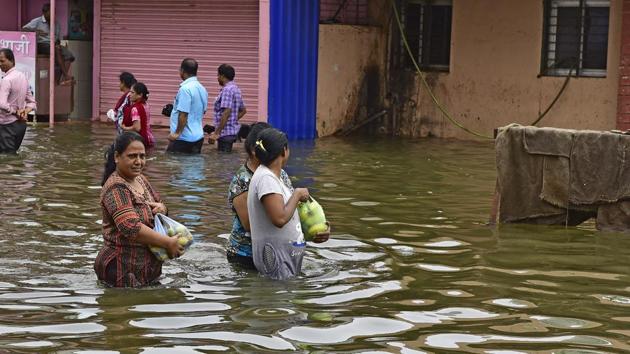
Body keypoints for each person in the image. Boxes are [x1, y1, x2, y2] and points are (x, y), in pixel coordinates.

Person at [227, 122, 330, 269]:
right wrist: (296, 197)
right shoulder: (244, 180)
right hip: (247, 255)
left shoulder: (279, 173)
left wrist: (316, 227)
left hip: (278, 252)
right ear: (254, 150)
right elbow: (253, 224)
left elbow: (293, 209)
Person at [95, 132, 183, 287]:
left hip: (146, 269)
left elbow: (158, 204)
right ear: (117, 157)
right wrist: (168, 242)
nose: (139, 162)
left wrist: (163, 208)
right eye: (132, 156)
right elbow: (131, 227)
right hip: (121, 269)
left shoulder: (140, 179)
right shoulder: (116, 187)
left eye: (142, 156)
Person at [247, 128, 321, 280]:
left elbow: (290, 216)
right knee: (278, 301)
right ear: (284, 151)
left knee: (285, 299)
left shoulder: (274, 177)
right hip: (275, 258)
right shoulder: (266, 179)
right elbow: (279, 218)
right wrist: (297, 194)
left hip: (284, 256)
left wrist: (316, 231)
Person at [22, 3, 75, 85]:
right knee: (56, 49)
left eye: (53, 13)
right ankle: (66, 75)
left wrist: (57, 43)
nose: (52, 15)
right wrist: (34, 32)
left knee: (69, 55)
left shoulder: (56, 23)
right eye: (50, 13)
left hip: (53, 44)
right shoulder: (37, 21)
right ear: (44, 13)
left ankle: (62, 79)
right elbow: (23, 29)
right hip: (41, 44)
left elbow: (57, 38)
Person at [167, 58, 208, 154]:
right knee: (192, 167)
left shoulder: (185, 89)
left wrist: (177, 133)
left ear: (182, 70)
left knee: (174, 165)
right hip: (198, 137)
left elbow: (183, 114)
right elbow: (203, 111)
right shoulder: (202, 89)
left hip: (183, 139)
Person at [0, 48, 36, 154]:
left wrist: (16, 112)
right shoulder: (23, 77)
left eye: (2, 61)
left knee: (7, 160)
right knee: (12, 157)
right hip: (20, 126)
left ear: (12, 61)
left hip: (6, 126)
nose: (0, 64)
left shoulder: (6, 80)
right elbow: (32, 102)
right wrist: (25, 111)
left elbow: (2, 104)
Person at [208, 64, 247, 152]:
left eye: (218, 75)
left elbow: (226, 112)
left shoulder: (227, 90)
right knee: (228, 160)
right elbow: (243, 110)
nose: (217, 78)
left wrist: (216, 133)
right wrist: (232, 121)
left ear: (222, 76)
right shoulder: (236, 89)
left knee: (223, 160)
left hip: (225, 134)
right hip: (232, 133)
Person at [121, 82, 155, 148]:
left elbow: (137, 128)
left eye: (132, 92)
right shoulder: (146, 105)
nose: (129, 94)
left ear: (140, 95)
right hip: (149, 137)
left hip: (140, 140)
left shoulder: (135, 109)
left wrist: (125, 128)